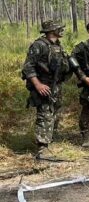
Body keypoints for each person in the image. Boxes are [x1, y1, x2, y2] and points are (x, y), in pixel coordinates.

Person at [22, 20, 71, 159]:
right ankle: (42, 149)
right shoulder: (39, 45)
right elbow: (28, 66)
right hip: (43, 86)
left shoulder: (56, 45)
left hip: (55, 85)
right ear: (51, 30)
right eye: (58, 28)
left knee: (55, 113)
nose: (61, 31)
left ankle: (50, 141)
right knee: (45, 115)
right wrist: (37, 84)